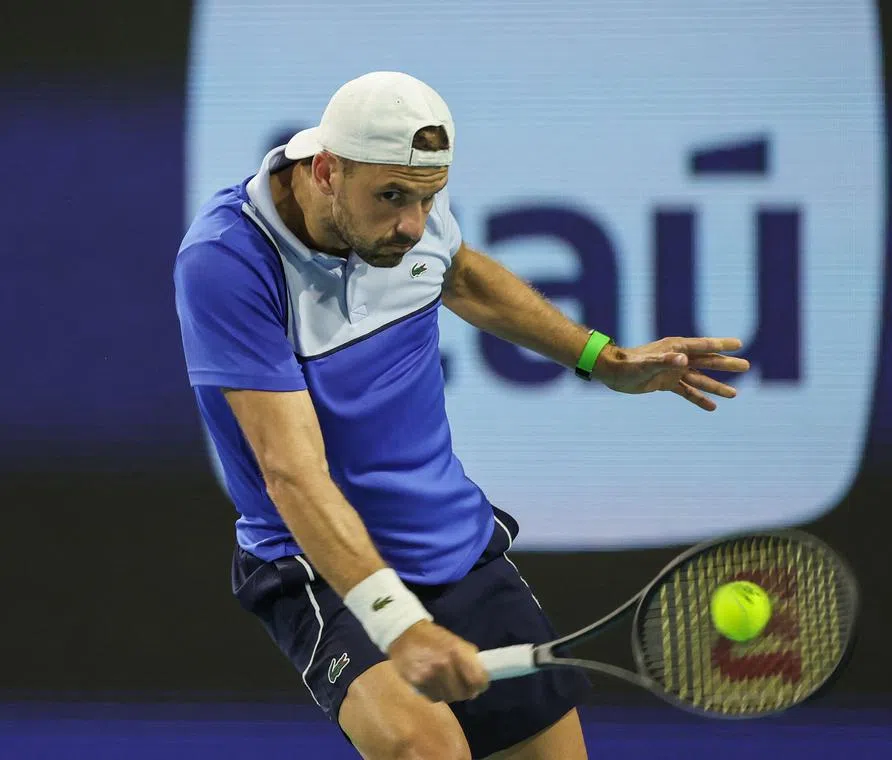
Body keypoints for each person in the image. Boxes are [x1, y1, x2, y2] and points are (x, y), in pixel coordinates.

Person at [173, 71, 749, 760]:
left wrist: (603, 358)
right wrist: (396, 624)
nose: (413, 225)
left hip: (450, 540)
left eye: (428, 198)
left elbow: (462, 273)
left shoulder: (405, 210)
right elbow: (291, 473)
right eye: (391, 198)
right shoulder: (229, 262)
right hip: (319, 567)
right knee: (427, 751)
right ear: (326, 169)